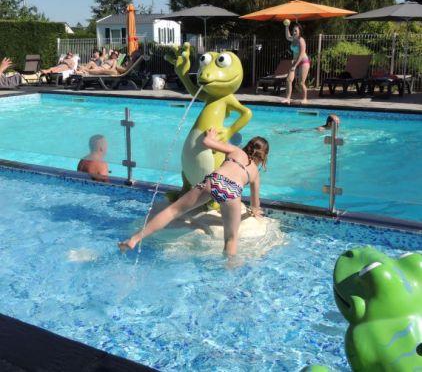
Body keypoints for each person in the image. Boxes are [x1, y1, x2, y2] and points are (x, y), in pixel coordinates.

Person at [118, 129, 270, 256]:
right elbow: (255, 203)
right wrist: (254, 212)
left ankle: (134, 239)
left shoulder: (236, 151)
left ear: (248, 146)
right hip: (232, 192)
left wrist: (210, 135)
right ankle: (228, 275)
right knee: (231, 239)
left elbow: (207, 143)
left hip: (215, 180)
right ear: (263, 157)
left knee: (173, 211)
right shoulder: (255, 173)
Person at [284, 23, 311, 105]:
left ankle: (305, 99)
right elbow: (287, 37)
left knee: (301, 82)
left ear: (299, 32)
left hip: (303, 62)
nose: (294, 32)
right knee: (289, 79)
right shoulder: (293, 39)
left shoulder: (301, 40)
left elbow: (301, 54)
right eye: (293, 30)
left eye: (296, 31)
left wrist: (294, 66)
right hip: (296, 62)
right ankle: (288, 99)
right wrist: (286, 27)